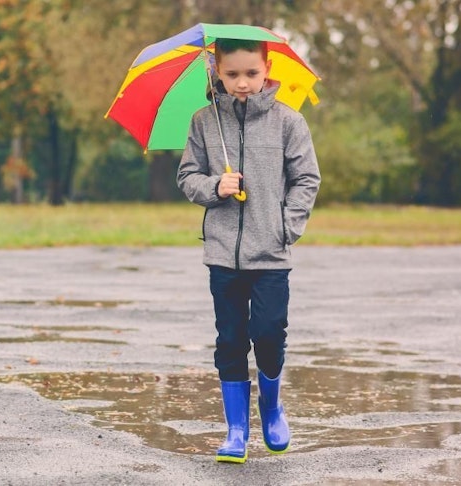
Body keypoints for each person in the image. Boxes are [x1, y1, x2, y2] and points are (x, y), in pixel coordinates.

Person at [176, 37, 320, 464]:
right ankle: (236, 429)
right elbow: (187, 177)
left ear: (267, 68)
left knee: (269, 334)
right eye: (233, 74)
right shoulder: (204, 122)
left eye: (251, 73)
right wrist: (214, 187)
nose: (242, 83)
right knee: (231, 340)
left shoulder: (288, 122)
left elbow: (306, 179)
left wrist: (286, 227)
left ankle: (272, 408)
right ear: (216, 71)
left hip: (271, 254)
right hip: (223, 255)